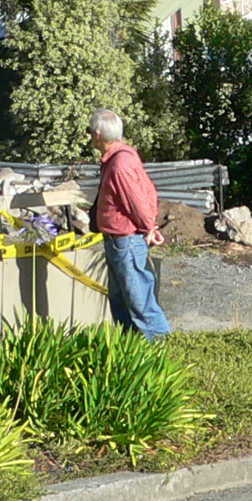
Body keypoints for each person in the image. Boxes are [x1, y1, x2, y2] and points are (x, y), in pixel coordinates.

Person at [90, 109, 171, 341]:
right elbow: (149, 191)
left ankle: (162, 349)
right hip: (117, 242)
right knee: (121, 302)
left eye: (89, 132)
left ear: (97, 135)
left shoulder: (120, 164)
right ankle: (131, 352)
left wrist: (149, 228)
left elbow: (138, 201)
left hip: (125, 242)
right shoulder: (122, 157)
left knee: (139, 302)